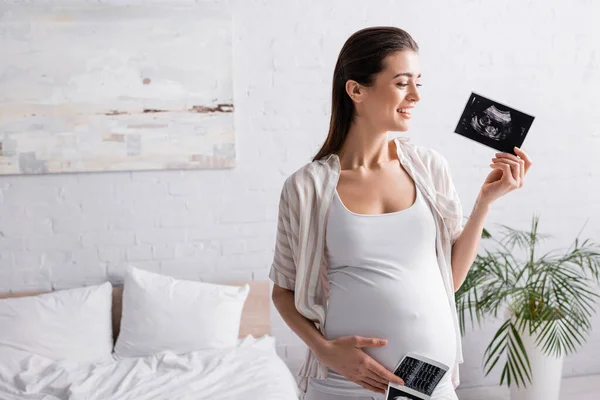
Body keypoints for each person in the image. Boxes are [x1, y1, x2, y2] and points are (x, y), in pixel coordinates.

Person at [269, 26, 532, 400]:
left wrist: (485, 202)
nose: (415, 96)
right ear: (356, 90)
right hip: (345, 386)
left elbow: (449, 281)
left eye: (418, 83)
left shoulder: (428, 167)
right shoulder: (306, 187)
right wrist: (325, 350)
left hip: (429, 386)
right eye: (401, 83)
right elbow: (283, 291)